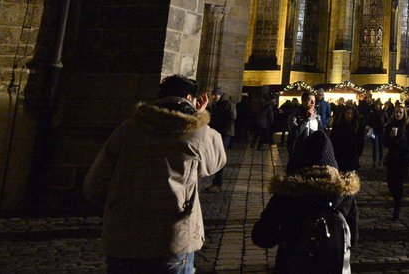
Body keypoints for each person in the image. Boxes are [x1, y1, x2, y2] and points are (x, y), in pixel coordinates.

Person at [83, 75, 226, 273]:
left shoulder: (128, 128)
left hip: (124, 236)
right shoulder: (197, 132)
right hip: (171, 235)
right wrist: (200, 118)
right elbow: (215, 162)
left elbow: (95, 184)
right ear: (188, 98)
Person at [252, 132, 359, 273]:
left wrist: (286, 234)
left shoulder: (287, 194)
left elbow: (262, 236)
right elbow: (353, 239)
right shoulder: (345, 196)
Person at [382, 104, 409, 220]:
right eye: (397, 112)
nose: (398, 114)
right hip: (392, 157)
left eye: (400, 112)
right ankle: (396, 199)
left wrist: (408, 149)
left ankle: (396, 210)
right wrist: (390, 136)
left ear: (404, 114)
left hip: (403, 159)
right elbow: (385, 143)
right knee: (390, 182)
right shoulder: (390, 124)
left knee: (399, 183)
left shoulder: (408, 125)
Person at [207, 87, 236, 192]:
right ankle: (216, 182)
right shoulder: (218, 104)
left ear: (220, 95)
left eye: (215, 95)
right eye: (213, 94)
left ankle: (217, 184)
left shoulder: (227, 104)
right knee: (216, 156)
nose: (213, 97)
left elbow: (232, 117)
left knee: (220, 156)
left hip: (224, 133)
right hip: (219, 132)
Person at [287, 90, 324, 157]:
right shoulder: (294, 116)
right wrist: (306, 119)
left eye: (314, 101)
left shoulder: (317, 117)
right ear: (303, 101)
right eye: (310, 100)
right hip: (298, 153)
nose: (313, 103)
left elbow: (321, 134)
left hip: (312, 153)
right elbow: (295, 134)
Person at [331, 104, 365, 172]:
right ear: (344, 113)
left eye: (351, 114)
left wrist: (358, 153)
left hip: (352, 155)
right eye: (347, 113)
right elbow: (333, 138)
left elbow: (361, 140)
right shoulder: (338, 123)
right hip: (340, 154)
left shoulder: (357, 125)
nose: (349, 115)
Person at [367, 100, 386, 168]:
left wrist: (384, 126)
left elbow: (387, 121)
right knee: (375, 147)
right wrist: (370, 126)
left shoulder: (383, 113)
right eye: (376, 105)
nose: (377, 106)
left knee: (380, 147)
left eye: (378, 105)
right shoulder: (372, 113)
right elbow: (369, 121)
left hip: (381, 131)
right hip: (374, 131)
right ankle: (374, 162)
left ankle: (380, 161)